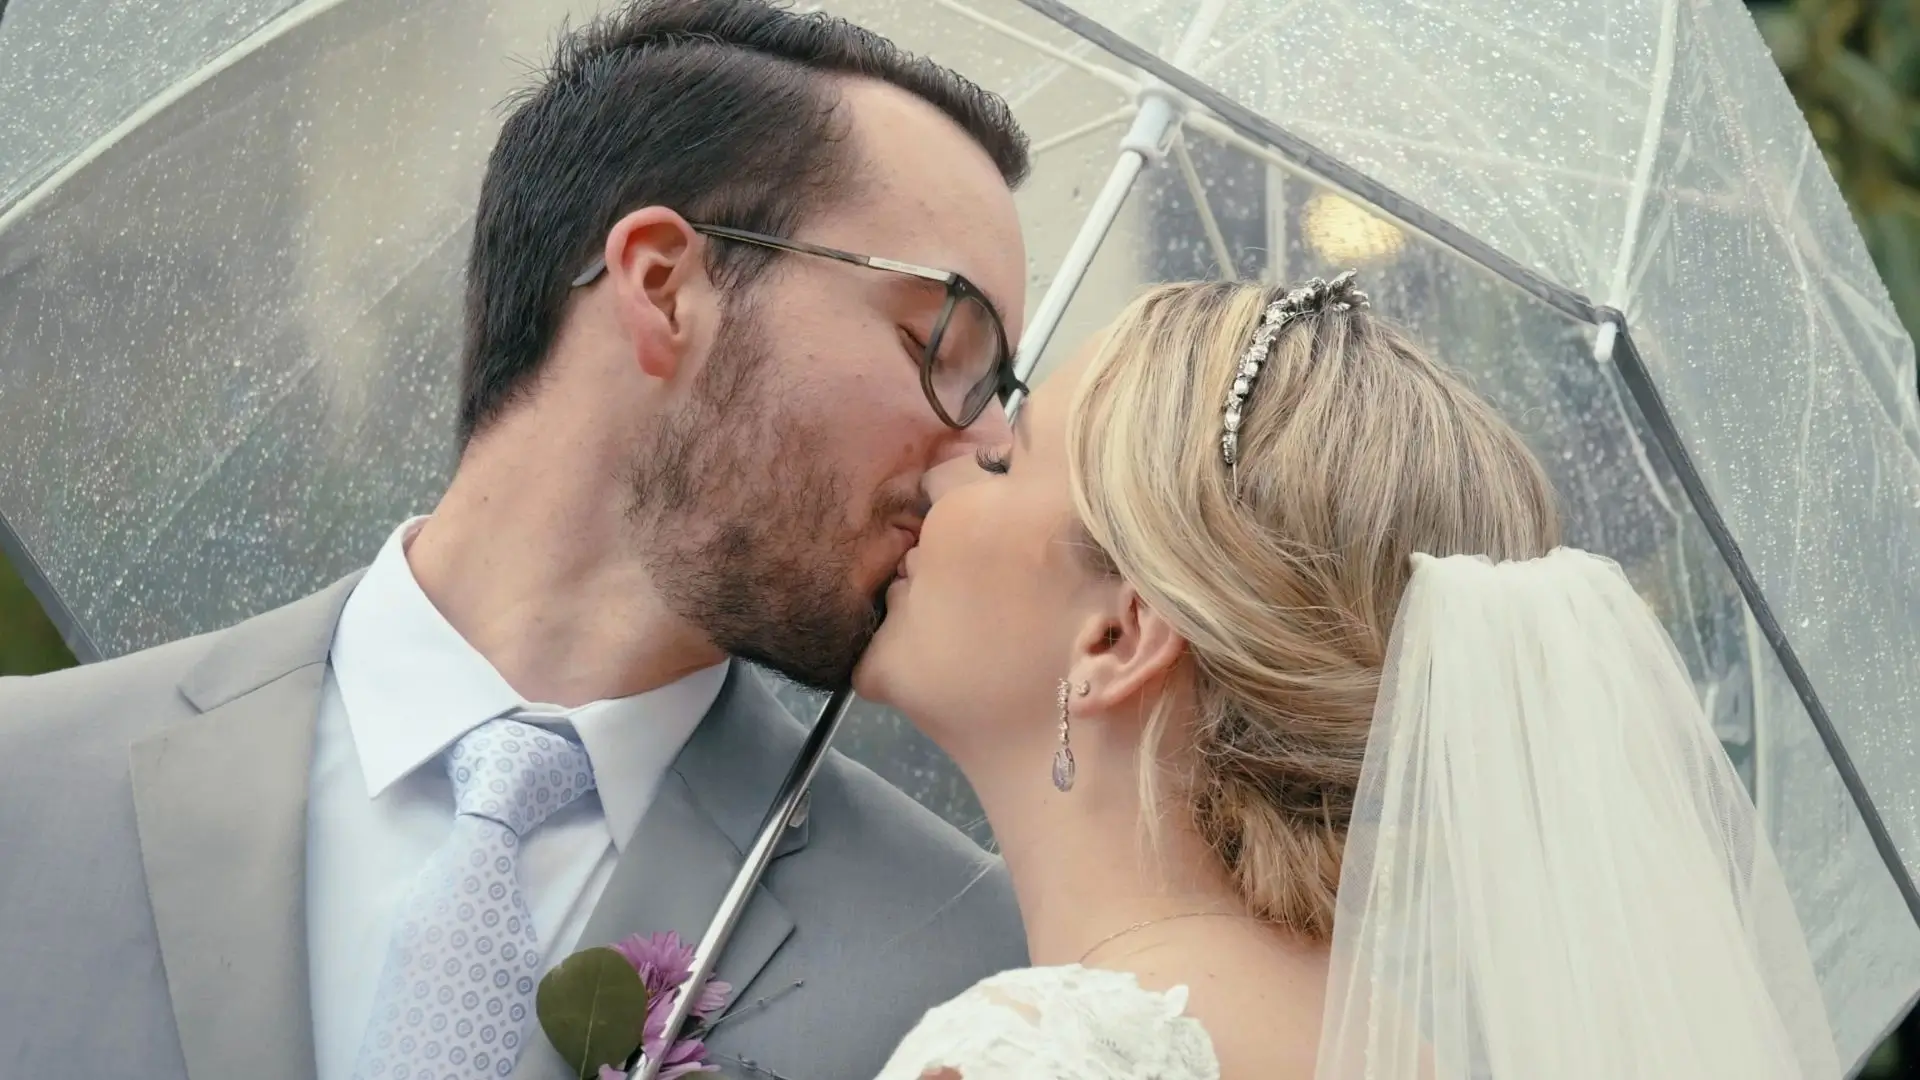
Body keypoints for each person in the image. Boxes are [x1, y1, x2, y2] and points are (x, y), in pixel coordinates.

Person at [0, 2, 1033, 1078]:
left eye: (1000, 392)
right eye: (939, 345)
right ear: (662, 285)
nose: (993, 445)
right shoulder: (23, 785)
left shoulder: (975, 977)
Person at [856, 276, 1842, 1078]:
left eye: (1002, 465)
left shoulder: (1033, 1057)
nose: (948, 458)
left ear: (1117, 639)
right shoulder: (1393, 1050)